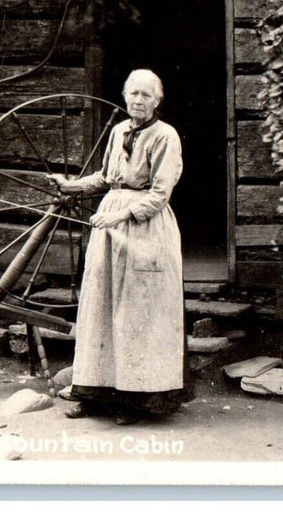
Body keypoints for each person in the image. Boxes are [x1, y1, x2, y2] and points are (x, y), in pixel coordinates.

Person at [47, 69, 191, 423]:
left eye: (146, 95)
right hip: (110, 229)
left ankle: (135, 402)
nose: (138, 100)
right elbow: (107, 178)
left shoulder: (165, 136)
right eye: (133, 94)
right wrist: (71, 186)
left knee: (138, 312)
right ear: (125, 97)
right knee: (101, 307)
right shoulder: (118, 131)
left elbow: (159, 194)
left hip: (145, 230)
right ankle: (95, 396)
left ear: (158, 100)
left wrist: (120, 215)